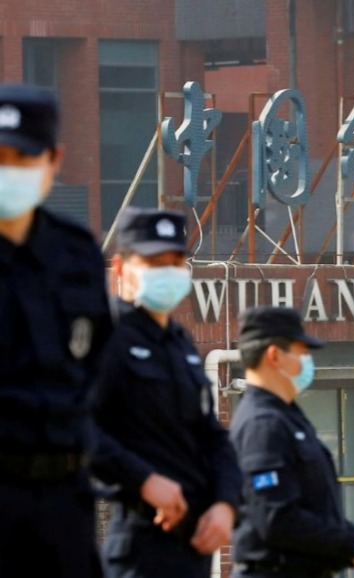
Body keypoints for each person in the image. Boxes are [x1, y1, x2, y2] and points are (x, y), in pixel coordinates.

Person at [90, 207, 242, 578]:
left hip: (193, 547)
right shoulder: (106, 336)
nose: (168, 272)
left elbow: (212, 436)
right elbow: (77, 426)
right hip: (141, 543)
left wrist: (226, 503)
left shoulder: (180, 342)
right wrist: (143, 479)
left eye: (176, 262)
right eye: (154, 263)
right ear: (121, 268)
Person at [0, 83, 112, 577]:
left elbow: (98, 371)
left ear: (54, 160)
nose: (9, 172)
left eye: (22, 158)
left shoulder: (77, 253)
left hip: (64, 498)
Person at [230, 306, 354, 578]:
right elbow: (275, 518)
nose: (307, 361)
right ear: (274, 355)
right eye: (302, 352)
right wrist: (351, 546)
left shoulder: (287, 417)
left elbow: (314, 505)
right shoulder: (263, 425)